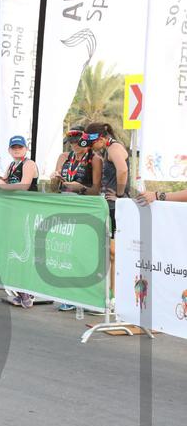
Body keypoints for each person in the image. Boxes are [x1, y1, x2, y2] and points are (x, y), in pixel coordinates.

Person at [50, 125, 103, 311]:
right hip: (65, 207)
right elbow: (53, 188)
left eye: (76, 142)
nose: (73, 145)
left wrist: (80, 188)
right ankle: (70, 295)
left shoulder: (95, 159)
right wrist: (54, 178)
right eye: (70, 142)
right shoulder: (64, 157)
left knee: (84, 252)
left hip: (85, 208)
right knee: (67, 251)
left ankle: (89, 296)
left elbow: (96, 190)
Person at [83, 122, 130, 306]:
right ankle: (111, 294)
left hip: (115, 207)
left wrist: (120, 195)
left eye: (92, 143)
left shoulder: (114, 148)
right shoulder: (108, 148)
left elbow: (123, 170)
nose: (91, 147)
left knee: (114, 253)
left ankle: (115, 296)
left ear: (101, 139)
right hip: (109, 206)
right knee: (109, 252)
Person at [0, 134, 38, 308]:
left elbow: (24, 185)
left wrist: (3, 186)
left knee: (24, 249)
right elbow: (3, 179)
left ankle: (27, 292)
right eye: (14, 148)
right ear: (9, 150)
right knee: (14, 248)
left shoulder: (29, 164)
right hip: (15, 212)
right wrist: (0, 181)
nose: (17, 150)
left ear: (26, 149)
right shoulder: (12, 165)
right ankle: (21, 291)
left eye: (20, 147)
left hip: (27, 211)